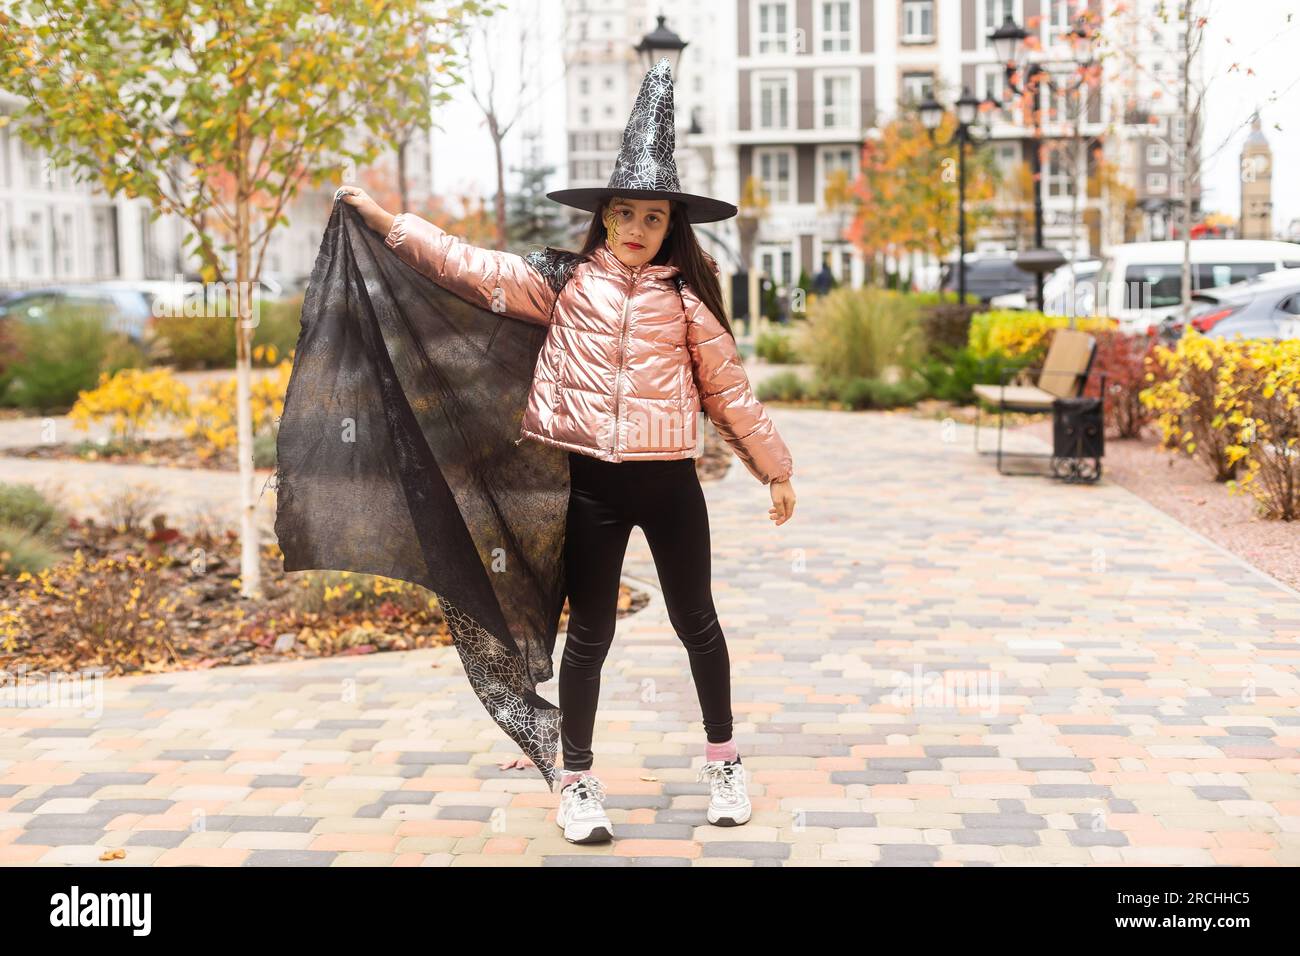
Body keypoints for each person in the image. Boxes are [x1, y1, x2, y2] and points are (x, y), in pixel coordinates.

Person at [335, 58, 795, 844]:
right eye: (625, 215)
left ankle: (723, 759)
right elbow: (470, 267)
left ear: (670, 225)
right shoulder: (563, 283)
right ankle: (576, 779)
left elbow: (728, 390)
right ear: (605, 218)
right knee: (590, 636)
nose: (637, 230)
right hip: (593, 490)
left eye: (653, 218)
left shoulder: (688, 299)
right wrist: (384, 219)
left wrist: (775, 470)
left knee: (698, 622)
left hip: (671, 487)